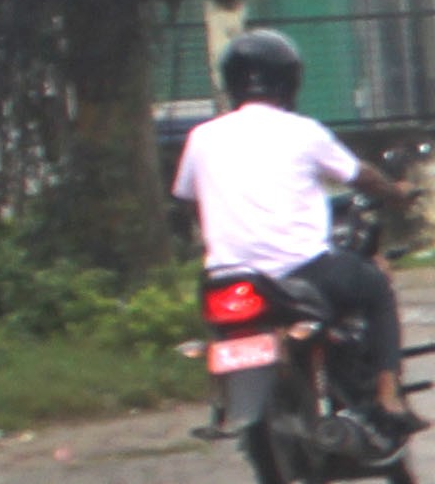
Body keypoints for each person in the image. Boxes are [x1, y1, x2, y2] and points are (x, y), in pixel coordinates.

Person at [173, 27, 415, 428]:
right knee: (375, 287)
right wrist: (396, 193)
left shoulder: (200, 137)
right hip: (302, 273)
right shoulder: (304, 132)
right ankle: (388, 397)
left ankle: (226, 399)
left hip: (227, 279)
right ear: (289, 80)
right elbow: (361, 176)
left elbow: (186, 200)